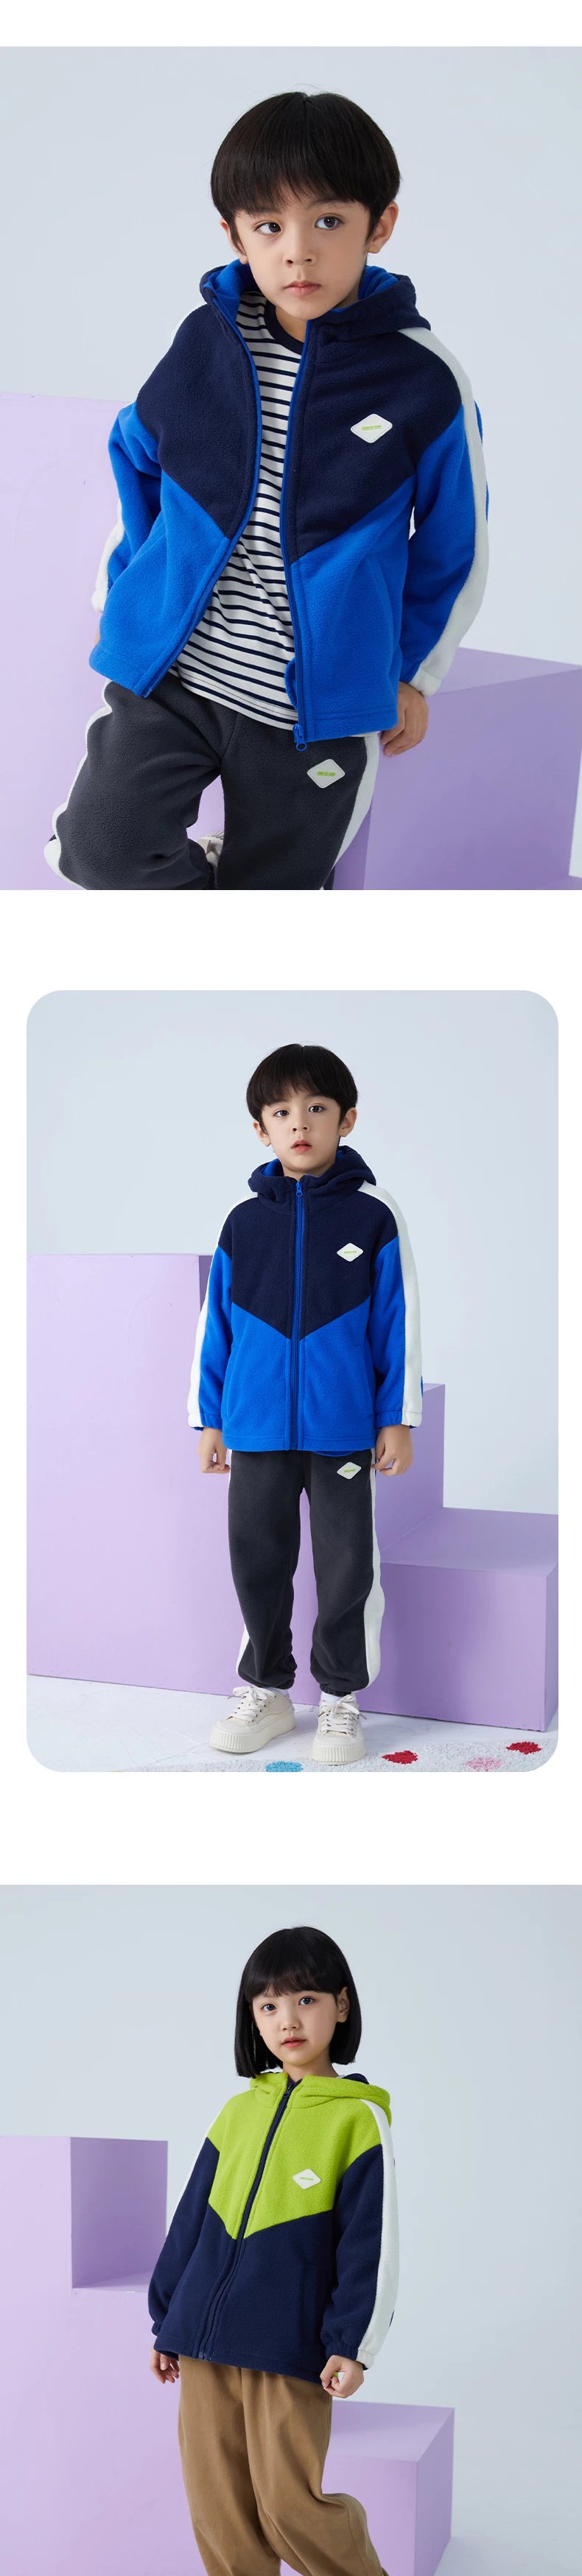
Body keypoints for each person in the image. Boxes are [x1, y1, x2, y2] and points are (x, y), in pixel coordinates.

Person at [47, 85, 488, 894]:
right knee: (98, 850)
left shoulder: (423, 379)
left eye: (329, 221)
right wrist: (131, 594)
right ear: (234, 234)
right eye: (269, 226)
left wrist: (412, 674)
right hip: (181, 675)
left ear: (380, 226)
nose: (298, 252)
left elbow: (455, 539)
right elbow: (138, 454)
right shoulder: (205, 342)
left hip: (316, 710)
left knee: (276, 894)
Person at [147, 1921, 438, 2576]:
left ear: (341, 2005)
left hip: (290, 2344)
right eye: (268, 2005)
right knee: (218, 2500)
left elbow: (371, 2243)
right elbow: (191, 2220)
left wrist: (352, 2343)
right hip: (204, 2342)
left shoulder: (357, 2118)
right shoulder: (235, 2113)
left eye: (306, 2000)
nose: (288, 2020)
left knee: (287, 2502)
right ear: (252, 2018)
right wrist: (167, 2318)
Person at [192, 1039, 421, 1768]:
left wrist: (396, 1417)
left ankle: (340, 1697)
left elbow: (399, 1322)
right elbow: (214, 1327)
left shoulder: (373, 1216)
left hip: (342, 1427)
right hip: (255, 1426)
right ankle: (265, 1688)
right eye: (281, 1110)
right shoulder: (241, 1222)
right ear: (261, 1128)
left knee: (346, 1566)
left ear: (346, 1120)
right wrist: (210, 1418)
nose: (299, 1122)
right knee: (256, 1559)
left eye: (316, 1107)